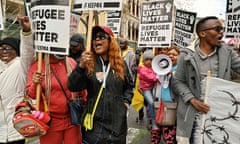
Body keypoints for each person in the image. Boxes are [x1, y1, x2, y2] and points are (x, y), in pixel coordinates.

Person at [172, 16, 240, 144]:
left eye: (222, 29)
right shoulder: (186, 55)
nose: (221, 32)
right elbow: (177, 81)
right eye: (217, 29)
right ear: (202, 33)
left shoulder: (228, 52)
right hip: (192, 115)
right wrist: (193, 100)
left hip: (218, 114)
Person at [68, 26, 133, 144]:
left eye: (101, 37)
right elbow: (72, 86)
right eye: (94, 38)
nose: (96, 40)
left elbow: (129, 87)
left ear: (110, 41)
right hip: (94, 128)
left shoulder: (121, 65)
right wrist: (81, 67)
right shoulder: (88, 63)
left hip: (117, 127)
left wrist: (125, 103)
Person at [0, 16, 35, 144]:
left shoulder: (21, 64)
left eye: (7, 48)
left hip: (16, 128)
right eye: (1, 48)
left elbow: (27, 51)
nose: (3, 51)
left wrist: (26, 32)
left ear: (16, 51)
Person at [156, 46, 180, 144]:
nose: (171, 56)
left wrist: (173, 74)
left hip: (173, 105)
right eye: (169, 54)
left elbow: (180, 87)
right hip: (160, 104)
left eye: (174, 54)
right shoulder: (162, 67)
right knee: (158, 132)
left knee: (170, 136)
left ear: (179, 56)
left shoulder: (180, 70)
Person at [137, 49, 160, 144]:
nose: (149, 62)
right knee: (151, 103)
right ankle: (154, 123)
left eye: (151, 60)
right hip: (146, 90)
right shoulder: (142, 69)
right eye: (147, 59)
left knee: (148, 106)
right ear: (143, 60)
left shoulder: (153, 68)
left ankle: (149, 122)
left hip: (152, 89)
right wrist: (158, 76)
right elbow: (152, 78)